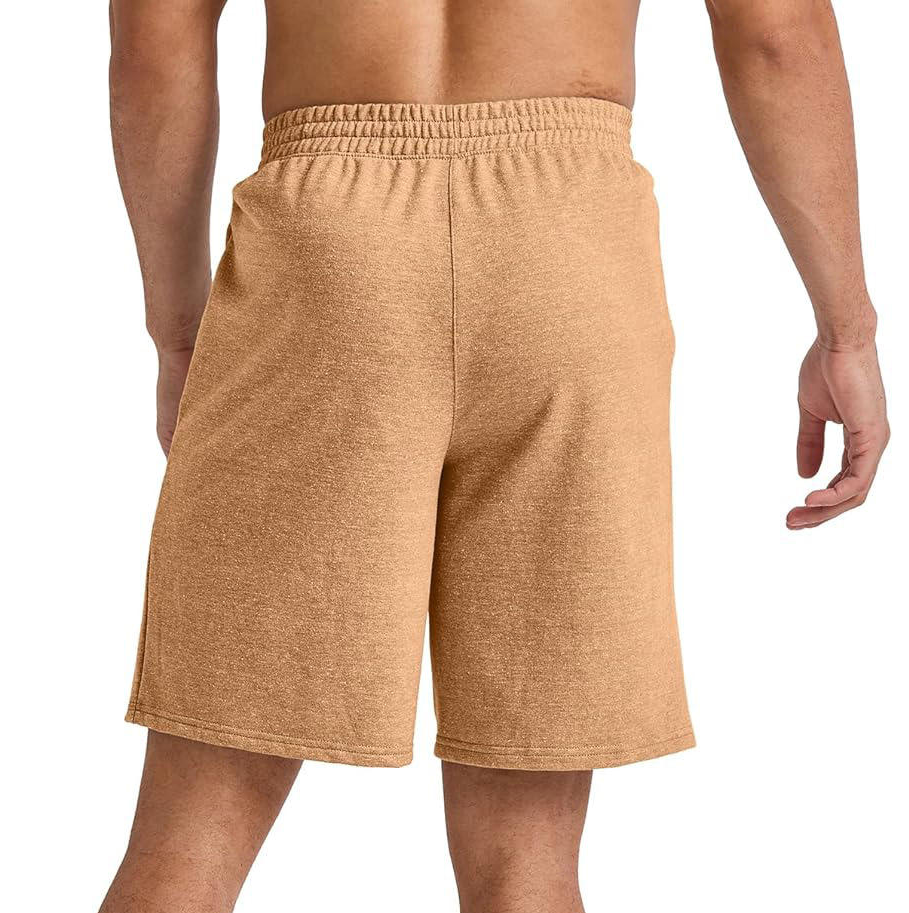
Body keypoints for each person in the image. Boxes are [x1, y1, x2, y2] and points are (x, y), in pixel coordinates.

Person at [103, 1, 889, 911]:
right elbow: (776, 31)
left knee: (196, 825)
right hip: (570, 251)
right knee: (528, 864)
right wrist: (846, 329)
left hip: (325, 254)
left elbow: (153, 37)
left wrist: (177, 330)